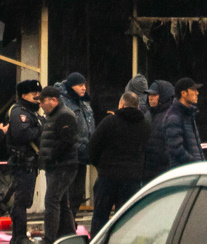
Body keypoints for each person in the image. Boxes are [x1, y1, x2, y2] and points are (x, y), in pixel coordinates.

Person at [87, 90, 151, 235]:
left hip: (108, 178)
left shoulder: (109, 122)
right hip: (132, 179)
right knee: (126, 219)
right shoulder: (146, 125)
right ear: (138, 106)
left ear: (121, 104)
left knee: (100, 217)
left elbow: (93, 147)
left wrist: (100, 166)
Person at [1, 76, 44, 244]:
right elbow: (22, 135)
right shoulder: (19, 112)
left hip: (29, 162)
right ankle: (19, 237)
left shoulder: (31, 112)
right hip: (22, 162)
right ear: (24, 95)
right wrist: (41, 128)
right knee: (21, 201)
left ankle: (19, 236)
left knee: (24, 200)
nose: (38, 97)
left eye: (39, 94)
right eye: (34, 94)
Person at [38, 84, 82, 244]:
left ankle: (50, 240)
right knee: (62, 203)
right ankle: (69, 237)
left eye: (43, 101)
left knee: (52, 201)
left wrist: (51, 157)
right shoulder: (54, 116)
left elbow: (66, 141)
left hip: (63, 166)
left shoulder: (65, 116)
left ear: (53, 100)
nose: (40, 105)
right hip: (57, 166)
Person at [62, 72, 96, 213]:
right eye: (80, 85)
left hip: (83, 154)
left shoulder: (85, 105)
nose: (83, 88)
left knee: (78, 192)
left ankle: (72, 221)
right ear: (71, 86)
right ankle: (65, 224)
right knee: (67, 191)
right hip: (70, 154)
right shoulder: (63, 103)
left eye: (84, 85)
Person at [160, 77, 204, 169]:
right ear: (183, 93)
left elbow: (197, 147)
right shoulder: (174, 116)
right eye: (193, 90)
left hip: (193, 171)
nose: (197, 93)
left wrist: (201, 164)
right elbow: (176, 149)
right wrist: (194, 163)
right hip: (184, 173)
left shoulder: (189, 114)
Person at [142, 79, 178, 174]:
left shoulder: (172, 116)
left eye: (154, 95)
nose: (150, 98)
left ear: (164, 96)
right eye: (149, 94)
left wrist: (161, 159)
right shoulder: (147, 115)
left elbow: (175, 147)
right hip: (147, 173)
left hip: (164, 173)